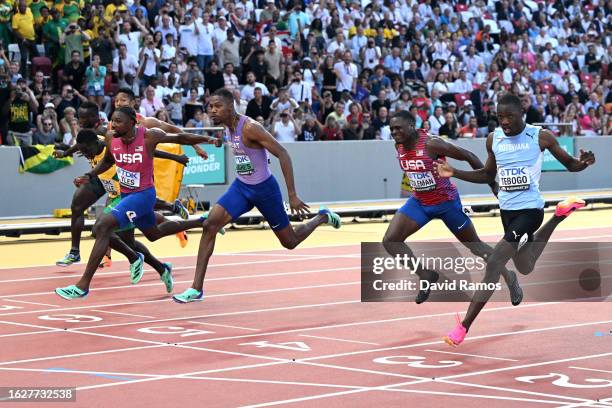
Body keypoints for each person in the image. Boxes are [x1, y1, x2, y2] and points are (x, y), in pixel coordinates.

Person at [434, 93, 596, 346]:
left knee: (495, 262)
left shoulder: (539, 136)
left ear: (522, 113)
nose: (505, 122)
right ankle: (559, 217)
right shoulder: (494, 139)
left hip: (530, 211)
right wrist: (454, 172)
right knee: (525, 265)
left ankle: (463, 326)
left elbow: (571, 164)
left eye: (510, 116)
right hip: (507, 213)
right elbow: (487, 174)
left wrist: (583, 163)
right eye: (500, 117)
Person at [171, 88, 342, 303]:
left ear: (230, 107)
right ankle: (196, 289)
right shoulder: (226, 126)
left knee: (290, 242)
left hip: (264, 190)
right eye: (210, 107)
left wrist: (292, 194)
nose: (212, 111)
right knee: (210, 225)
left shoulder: (250, 128)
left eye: (217, 107)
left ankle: (322, 217)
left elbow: (283, 153)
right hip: (242, 188)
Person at [55, 107, 223, 299]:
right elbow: (108, 161)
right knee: (153, 233)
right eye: (112, 120)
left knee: (102, 226)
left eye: (118, 121)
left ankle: (82, 285)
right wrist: (89, 175)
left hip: (143, 195)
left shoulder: (149, 136)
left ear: (132, 122)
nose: (114, 124)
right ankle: (202, 221)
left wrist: (207, 140)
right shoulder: (111, 138)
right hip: (127, 195)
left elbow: (180, 138)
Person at [383, 110, 522, 306]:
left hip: (446, 203)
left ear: (412, 126)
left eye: (398, 128)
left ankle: (510, 278)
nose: (394, 132)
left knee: (477, 247)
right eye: (392, 129)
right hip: (421, 202)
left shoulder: (431, 143)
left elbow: (469, 155)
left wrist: (493, 184)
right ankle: (426, 275)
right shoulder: (398, 145)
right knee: (390, 241)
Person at [53, 101, 193, 267]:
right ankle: (75, 252)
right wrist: (65, 153)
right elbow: (79, 144)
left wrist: (175, 157)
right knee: (78, 206)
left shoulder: (110, 133)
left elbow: (148, 149)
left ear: (95, 117)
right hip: (101, 176)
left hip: (120, 178)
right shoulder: (86, 134)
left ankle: (173, 215)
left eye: (83, 117)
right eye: (79, 117)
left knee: (126, 221)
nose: (80, 120)